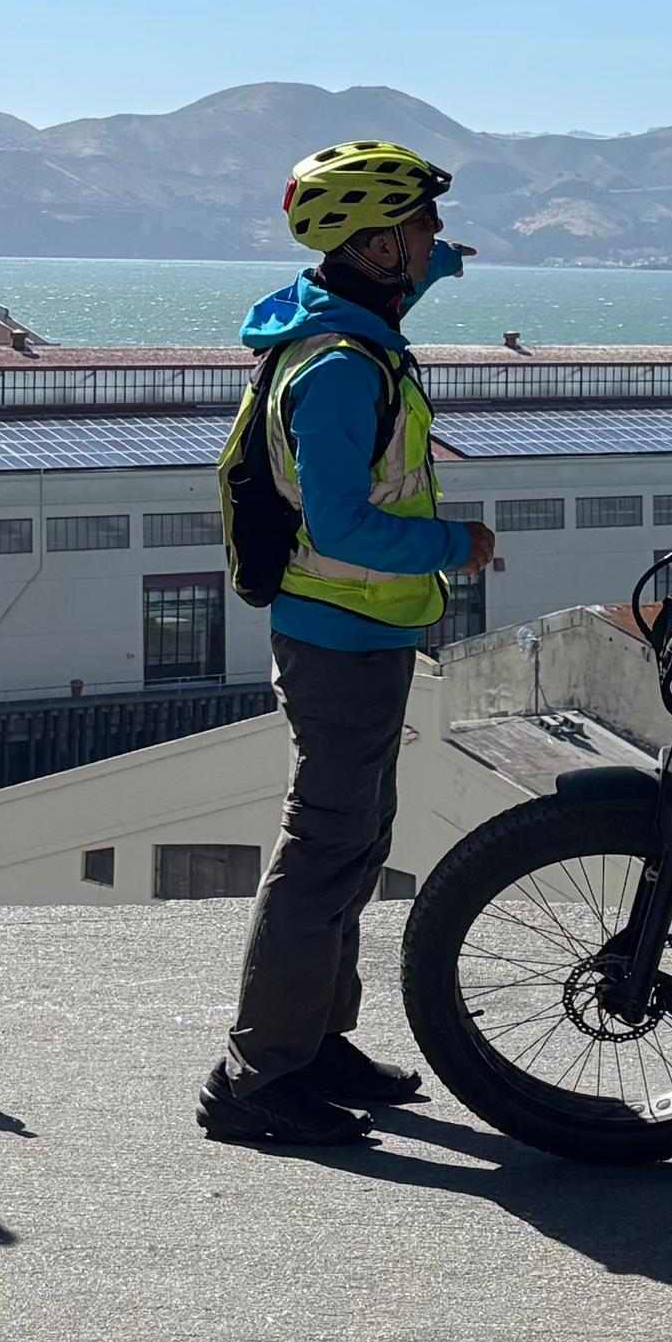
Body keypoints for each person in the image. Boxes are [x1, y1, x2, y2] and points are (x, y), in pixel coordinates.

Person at [196, 138, 495, 1154]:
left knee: (353, 842)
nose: (433, 241)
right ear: (375, 247)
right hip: (338, 633)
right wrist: (461, 543)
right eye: (420, 228)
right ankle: (253, 1078)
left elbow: (409, 275)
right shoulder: (335, 373)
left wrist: (449, 262)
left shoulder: (348, 315)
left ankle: (313, 1043)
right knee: (322, 850)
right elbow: (341, 527)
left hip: (364, 635)